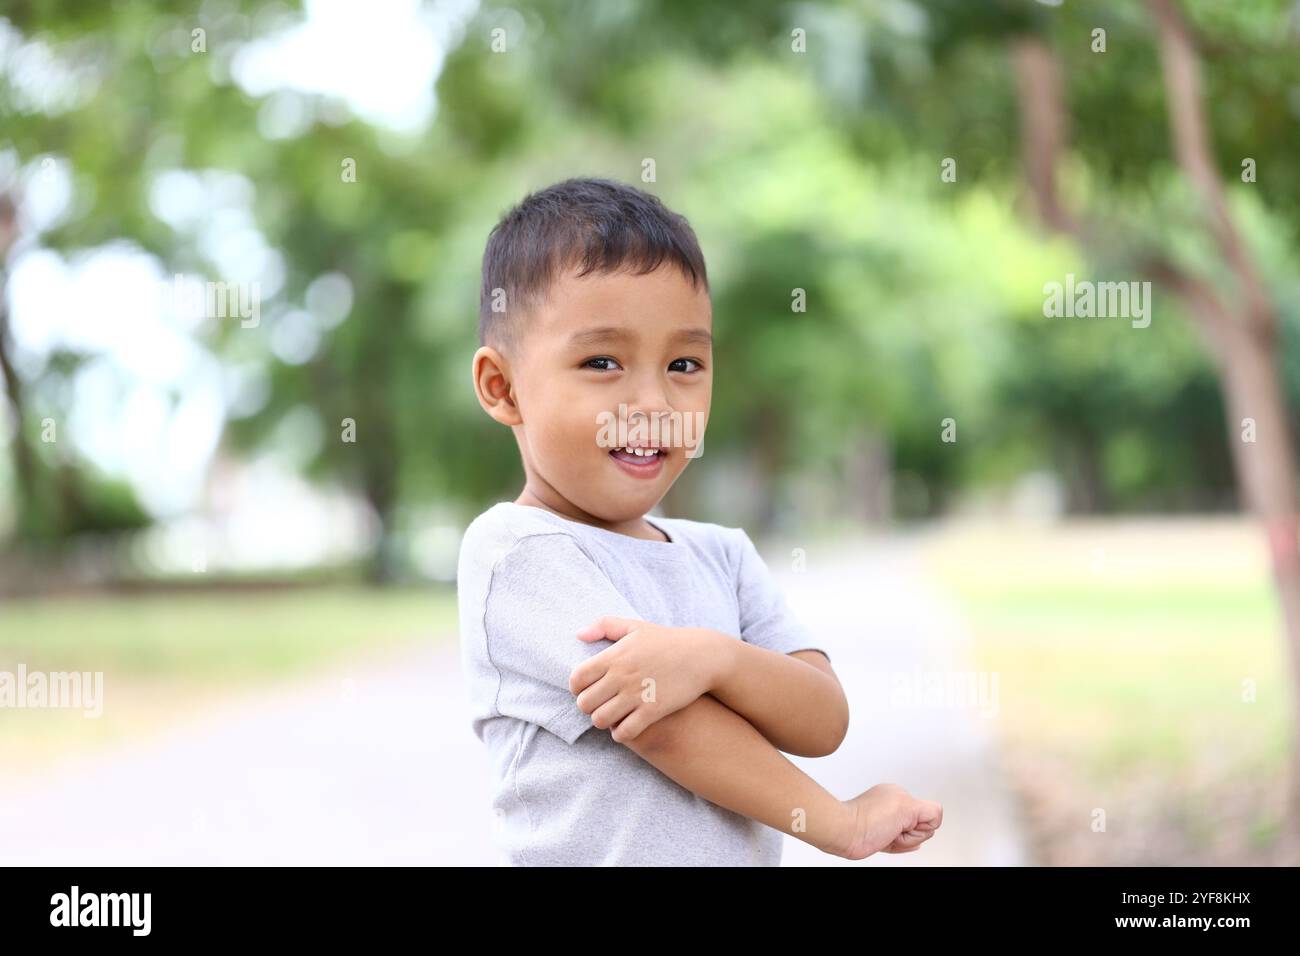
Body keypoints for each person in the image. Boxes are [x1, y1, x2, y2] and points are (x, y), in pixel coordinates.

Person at [457, 176, 942, 865]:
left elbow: (822, 718)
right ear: (502, 387)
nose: (654, 400)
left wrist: (713, 657)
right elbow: (661, 724)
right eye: (602, 362)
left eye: (684, 362)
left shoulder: (723, 555)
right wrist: (838, 823)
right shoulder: (516, 551)